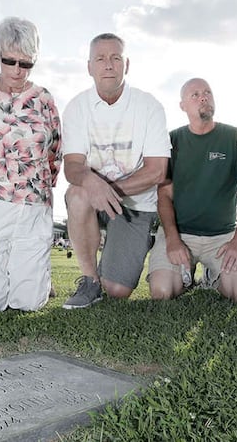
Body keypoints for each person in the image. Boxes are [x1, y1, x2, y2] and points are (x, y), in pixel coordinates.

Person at [61, 33, 170, 309]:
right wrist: (90, 182)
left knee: (118, 289)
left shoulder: (149, 106)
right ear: (89, 67)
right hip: (91, 198)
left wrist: (107, 189)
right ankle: (90, 280)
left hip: (136, 203)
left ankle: (122, 257)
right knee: (77, 194)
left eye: (115, 58)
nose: (108, 65)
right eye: (100, 58)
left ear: (127, 64)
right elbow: (73, 166)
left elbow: (157, 171)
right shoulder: (76, 107)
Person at [0, 17, 62, 313]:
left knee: (29, 303)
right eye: (10, 61)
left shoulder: (44, 99)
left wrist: (43, 189)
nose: (17, 70)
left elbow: (55, 148)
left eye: (26, 63)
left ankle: (39, 279)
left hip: (34, 202)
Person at [148, 78, 237, 302]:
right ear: (183, 106)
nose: (203, 97)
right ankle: (185, 276)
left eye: (207, 92)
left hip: (222, 237)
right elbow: (164, 195)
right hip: (180, 234)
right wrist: (172, 239)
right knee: (162, 292)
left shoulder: (235, 138)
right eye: (195, 94)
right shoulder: (171, 141)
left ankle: (211, 276)